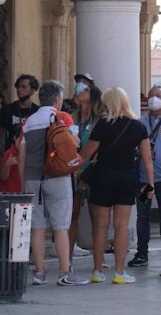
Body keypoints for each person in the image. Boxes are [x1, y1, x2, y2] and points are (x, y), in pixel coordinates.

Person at [78, 87, 155, 284]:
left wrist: (72, 169)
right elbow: (147, 160)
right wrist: (150, 185)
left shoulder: (102, 124)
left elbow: (87, 154)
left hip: (103, 176)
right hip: (126, 178)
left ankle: (97, 271)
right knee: (121, 226)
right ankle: (119, 273)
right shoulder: (138, 127)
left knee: (100, 226)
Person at [19, 80, 89, 286]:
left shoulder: (29, 121)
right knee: (60, 227)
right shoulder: (61, 118)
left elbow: (22, 155)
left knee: (37, 227)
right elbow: (74, 145)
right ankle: (65, 273)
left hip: (33, 180)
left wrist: (23, 182)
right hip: (57, 178)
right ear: (57, 99)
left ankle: (39, 273)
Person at [128, 85, 161, 268]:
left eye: (158, 96)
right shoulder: (140, 122)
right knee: (142, 216)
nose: (154, 98)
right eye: (151, 96)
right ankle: (141, 254)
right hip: (143, 178)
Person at [68, 79, 102, 261]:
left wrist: (84, 172)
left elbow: (98, 148)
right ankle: (68, 258)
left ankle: (99, 259)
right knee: (72, 216)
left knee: (97, 217)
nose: (80, 91)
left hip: (92, 172)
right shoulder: (70, 117)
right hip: (71, 172)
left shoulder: (98, 120)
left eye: (85, 89)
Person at [1, 74, 40, 151]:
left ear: (32, 91)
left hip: (30, 153)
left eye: (24, 87)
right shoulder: (8, 109)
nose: (19, 89)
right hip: (10, 153)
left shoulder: (37, 111)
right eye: (18, 87)